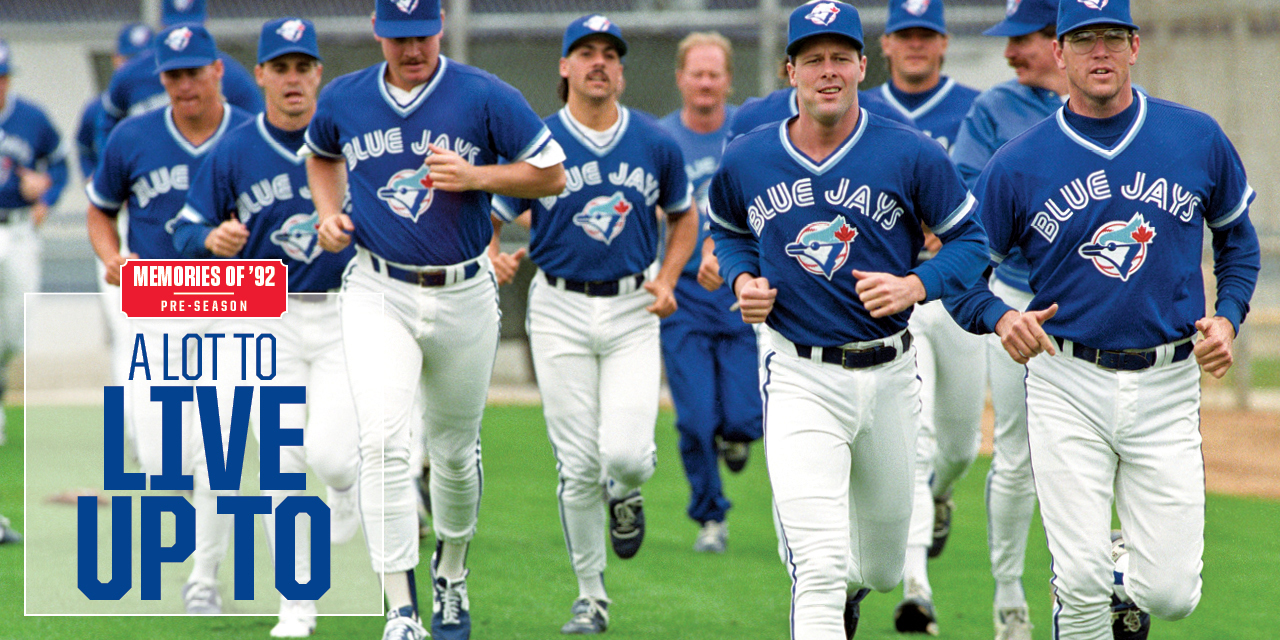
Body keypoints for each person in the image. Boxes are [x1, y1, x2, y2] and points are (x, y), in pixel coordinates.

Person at [944, 0, 1260, 637]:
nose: (1099, 53)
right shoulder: (1019, 162)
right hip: (1067, 379)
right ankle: (1094, 582)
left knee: (1171, 595)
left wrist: (1227, 317)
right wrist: (999, 318)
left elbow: (1238, 242)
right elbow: (960, 270)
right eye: (1083, 39)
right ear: (1059, 53)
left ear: (1134, 47)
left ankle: (1125, 572)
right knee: (1079, 588)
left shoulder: (1193, 137)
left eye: (1112, 38)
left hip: (1168, 381)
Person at [707, 3, 988, 638]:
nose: (827, 71)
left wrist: (917, 282)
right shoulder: (749, 157)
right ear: (790, 71)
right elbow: (727, 230)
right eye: (813, 59)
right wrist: (742, 279)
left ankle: (855, 588)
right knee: (820, 564)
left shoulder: (909, 153)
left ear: (864, 64)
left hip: (890, 372)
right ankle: (828, 591)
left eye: (840, 57)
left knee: (883, 567)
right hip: (800, 372)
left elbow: (972, 241)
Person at [303, 0, 566, 637]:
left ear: (440, 29)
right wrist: (329, 213)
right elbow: (320, 153)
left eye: (421, 35)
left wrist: (478, 175)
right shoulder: (344, 97)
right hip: (377, 287)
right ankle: (400, 606)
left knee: (451, 453)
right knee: (385, 443)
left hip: (463, 291)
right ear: (376, 32)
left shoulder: (482, 94)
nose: (411, 49)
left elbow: (553, 175)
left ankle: (451, 569)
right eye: (398, 37)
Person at [489, 15, 697, 634]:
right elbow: (495, 213)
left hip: (633, 306)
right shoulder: (540, 141)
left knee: (627, 456)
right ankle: (591, 595)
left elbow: (683, 218)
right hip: (557, 307)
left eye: (610, 52)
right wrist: (490, 253)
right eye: (585, 52)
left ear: (622, 69)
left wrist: (668, 278)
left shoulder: (655, 142)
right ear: (564, 67)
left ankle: (627, 490)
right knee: (577, 464)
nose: (598, 62)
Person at [172, 17, 360, 637]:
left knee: (331, 458)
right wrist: (209, 236)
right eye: (280, 67)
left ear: (318, 75)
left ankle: (345, 486)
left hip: (343, 311)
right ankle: (296, 605)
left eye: (303, 66)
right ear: (260, 77)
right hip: (264, 315)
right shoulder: (237, 149)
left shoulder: (350, 141)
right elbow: (182, 231)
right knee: (279, 461)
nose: (292, 79)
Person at [86, 23, 254, 615]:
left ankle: (203, 578)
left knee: (220, 450)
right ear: (162, 78)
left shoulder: (249, 133)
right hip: (156, 311)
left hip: (234, 308)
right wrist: (111, 257)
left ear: (217, 72)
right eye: (174, 74)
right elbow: (100, 210)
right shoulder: (133, 137)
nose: (185, 84)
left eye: (195, 72)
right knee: (162, 461)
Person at [852, 1, 986, 635]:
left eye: (925, 34)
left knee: (959, 445)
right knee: (919, 436)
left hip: (958, 290)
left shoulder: (976, 108)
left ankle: (940, 493)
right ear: (885, 44)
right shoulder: (860, 106)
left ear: (943, 42)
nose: (915, 45)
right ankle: (915, 587)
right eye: (904, 34)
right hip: (890, 292)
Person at [948, 1, 1065, 638]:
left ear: (1058, 41)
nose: (1010, 54)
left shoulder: (1121, 105)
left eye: (1021, 40)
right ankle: (1009, 593)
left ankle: (1107, 577)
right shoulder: (995, 109)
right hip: (1019, 298)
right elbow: (966, 193)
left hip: (1099, 309)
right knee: (1017, 455)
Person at [654, 31, 760, 555]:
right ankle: (710, 517)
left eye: (714, 73)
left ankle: (739, 435)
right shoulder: (660, 139)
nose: (705, 82)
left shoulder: (751, 133)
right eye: (696, 72)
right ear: (680, 78)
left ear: (728, 79)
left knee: (743, 414)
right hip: (686, 296)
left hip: (743, 294)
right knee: (695, 418)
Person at [0, 39, 69, 446]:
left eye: (3, 77)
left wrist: (47, 194)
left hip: (21, 227)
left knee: (12, 333)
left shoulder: (31, 118)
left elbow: (59, 163)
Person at [96, 0, 262, 153]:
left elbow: (257, 129)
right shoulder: (132, 72)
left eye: (192, 29)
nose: (184, 38)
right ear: (161, 25)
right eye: (175, 29)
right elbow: (108, 122)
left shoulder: (230, 72)